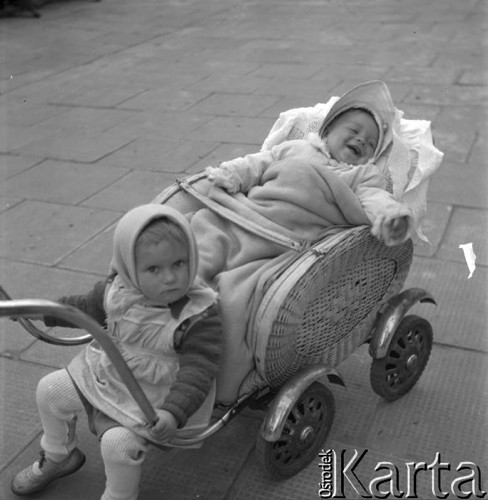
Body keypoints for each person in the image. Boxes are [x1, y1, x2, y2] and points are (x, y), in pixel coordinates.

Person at [10, 204, 222, 500]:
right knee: (49, 390)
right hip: (107, 374)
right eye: (153, 269)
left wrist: (173, 413)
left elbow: (199, 369)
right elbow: (82, 308)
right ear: (128, 267)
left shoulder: (198, 314)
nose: (171, 278)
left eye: (179, 263)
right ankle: (58, 456)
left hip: (153, 397)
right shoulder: (118, 289)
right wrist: (42, 311)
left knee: (118, 445)